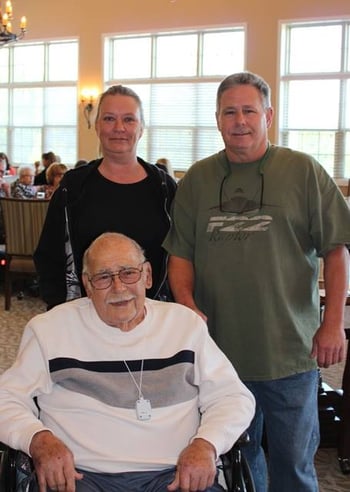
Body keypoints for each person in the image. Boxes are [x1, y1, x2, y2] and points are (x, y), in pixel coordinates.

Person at [163, 71, 350, 492]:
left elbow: (337, 250)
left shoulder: (302, 170)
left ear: (268, 115)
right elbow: (181, 254)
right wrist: (188, 306)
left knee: (294, 465)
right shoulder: (197, 179)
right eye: (230, 112)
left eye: (249, 110)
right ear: (217, 119)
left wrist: (333, 321)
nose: (240, 120)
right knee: (238, 465)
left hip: (288, 352)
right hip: (219, 354)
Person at [0, 232, 255, 492]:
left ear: (147, 275)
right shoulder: (50, 330)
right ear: (87, 285)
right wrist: (38, 439)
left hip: (175, 476)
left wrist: (207, 444)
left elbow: (233, 398)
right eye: (103, 278)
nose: (119, 288)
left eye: (128, 273)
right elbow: (5, 398)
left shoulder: (185, 326)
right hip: (80, 478)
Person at [34, 85, 177, 310]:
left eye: (129, 119)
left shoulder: (164, 188)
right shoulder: (73, 186)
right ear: (97, 126)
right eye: (109, 118)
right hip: (85, 315)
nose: (119, 128)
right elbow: (50, 254)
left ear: (141, 128)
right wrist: (60, 310)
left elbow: (179, 257)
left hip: (152, 317)